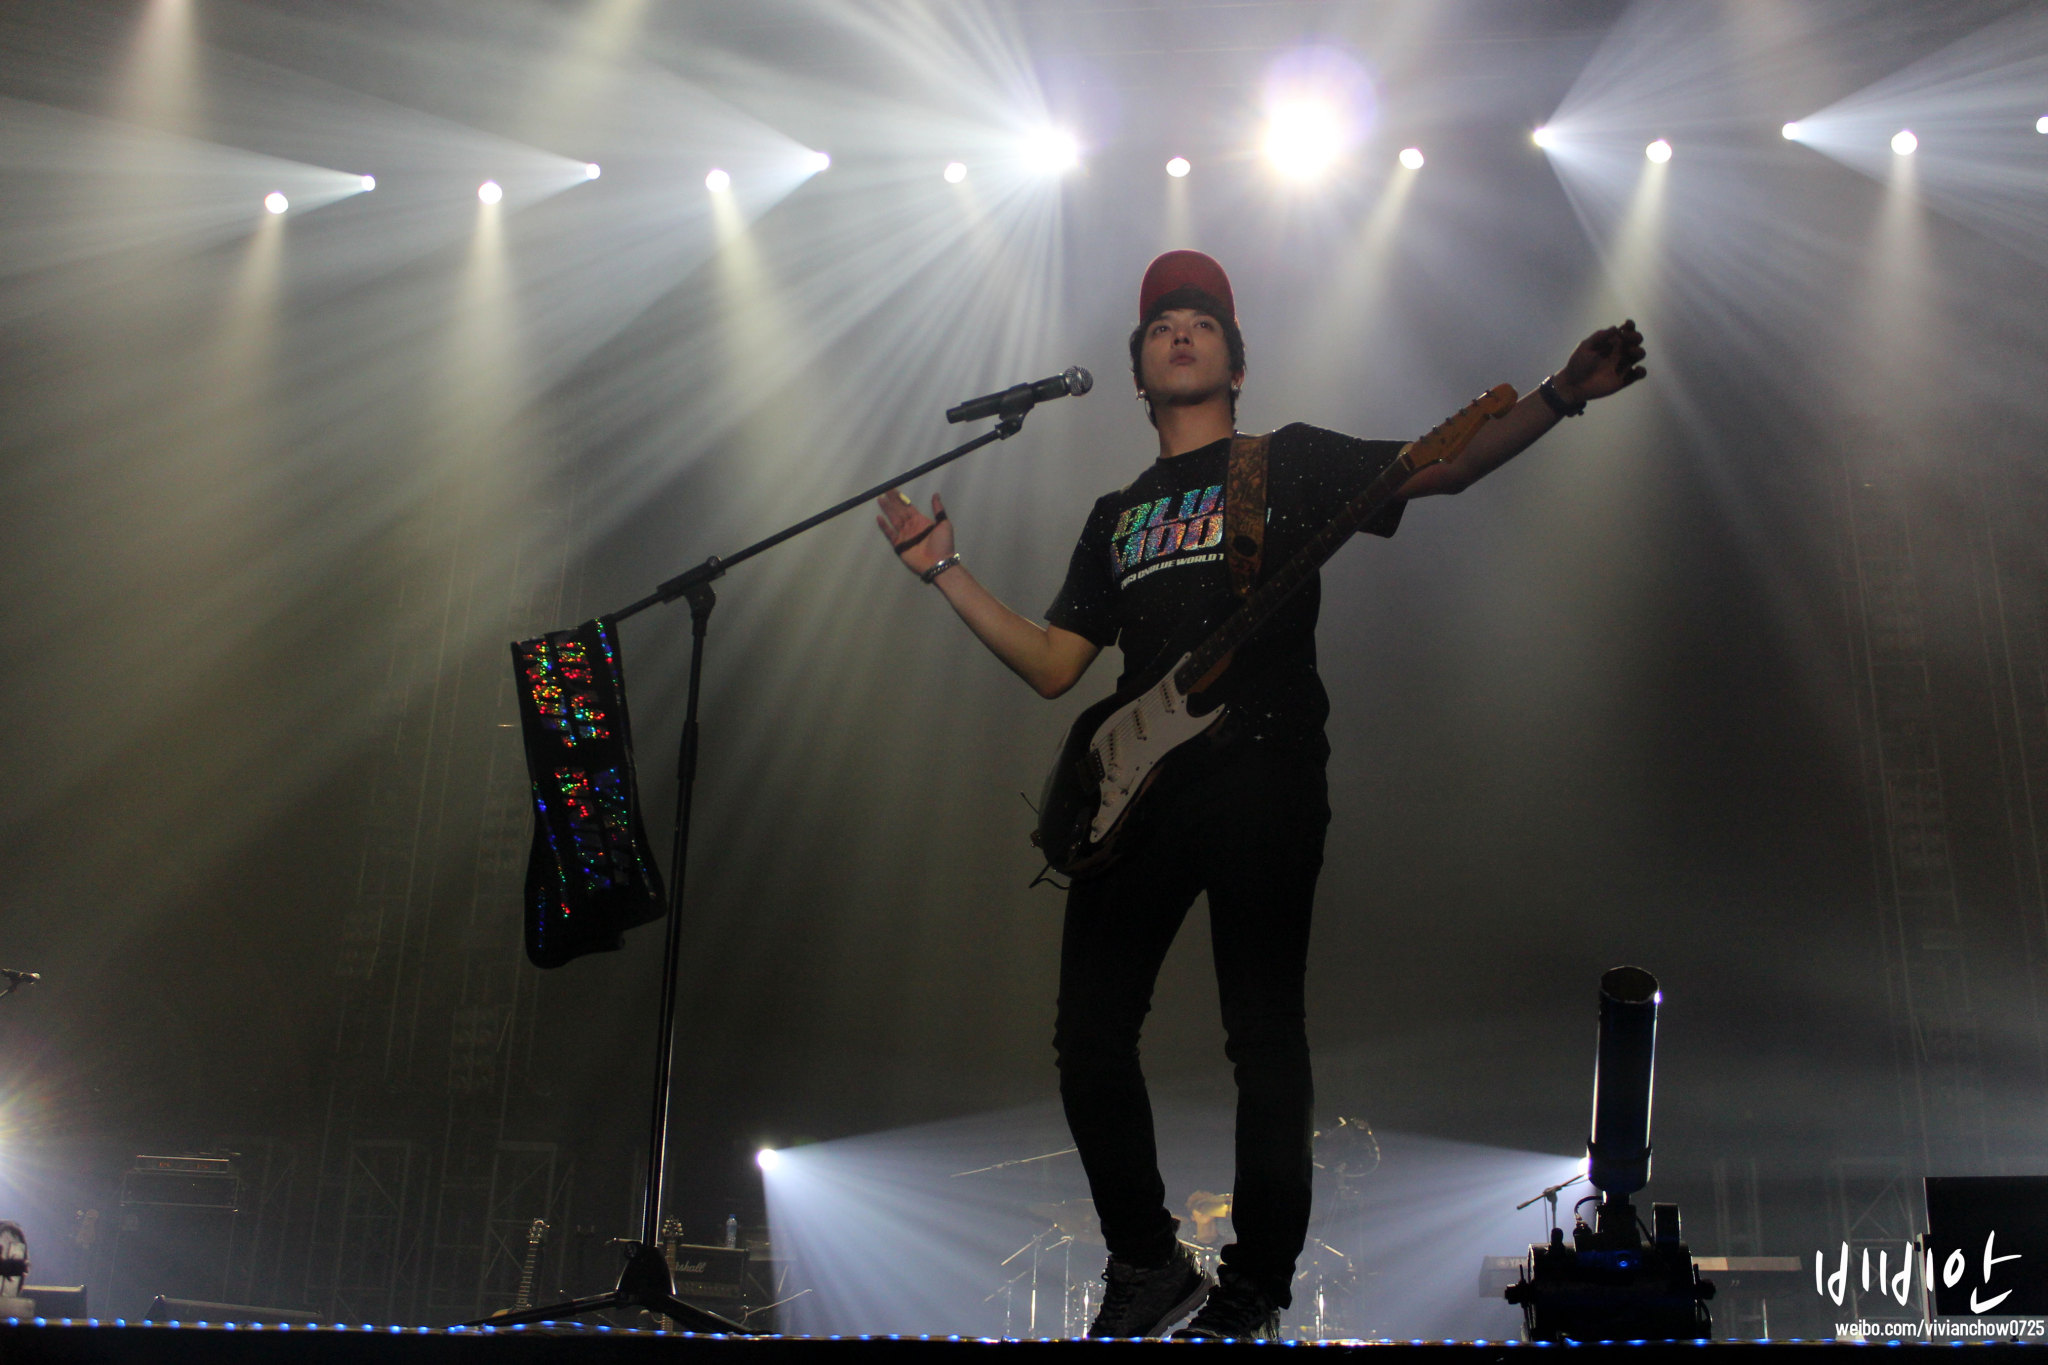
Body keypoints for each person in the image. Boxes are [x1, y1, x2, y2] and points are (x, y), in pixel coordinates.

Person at [877, 251, 1646, 1339]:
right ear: (1137, 374)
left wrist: (1560, 393)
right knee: (1087, 1036)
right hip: (1133, 792)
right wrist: (941, 570)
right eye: (1160, 325)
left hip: (1262, 766)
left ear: (1236, 362)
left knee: (1263, 1030)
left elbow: (1445, 467)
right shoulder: (1115, 514)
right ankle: (1145, 1261)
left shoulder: (1285, 462)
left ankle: (1254, 1285)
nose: (1179, 331)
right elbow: (1055, 664)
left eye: (1201, 320)